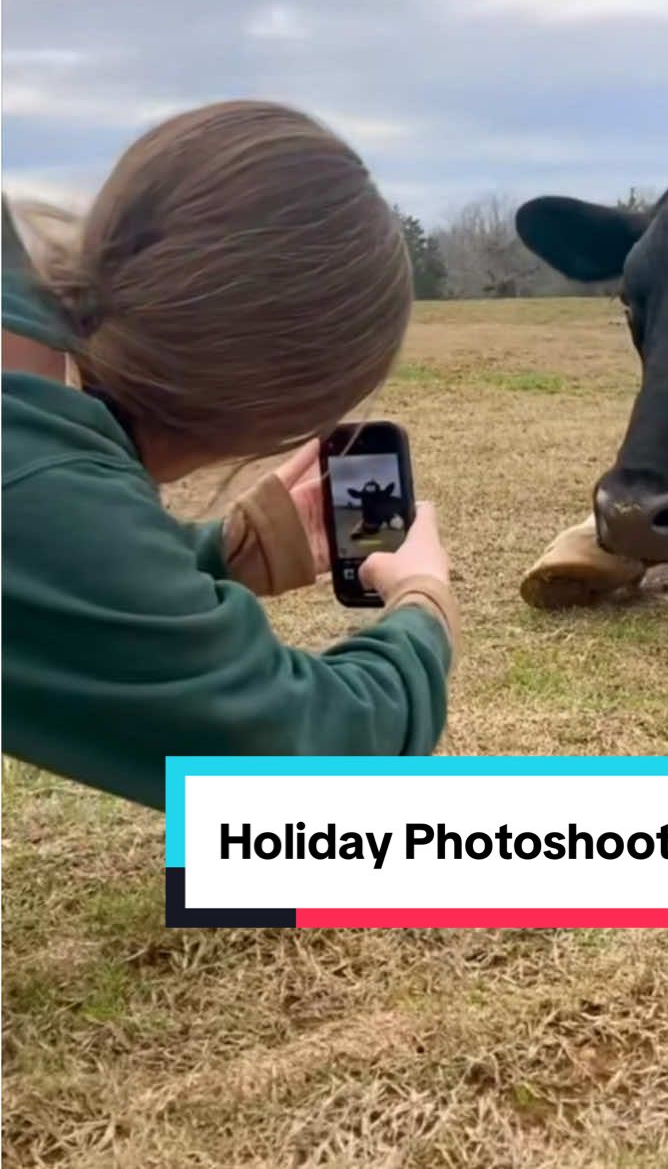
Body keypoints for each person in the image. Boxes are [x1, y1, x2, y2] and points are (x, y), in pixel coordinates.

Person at [2, 101, 459, 810]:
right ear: (280, 409)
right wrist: (422, 605)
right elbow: (308, 768)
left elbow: (43, 562)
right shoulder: (32, 480)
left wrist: (220, 554)